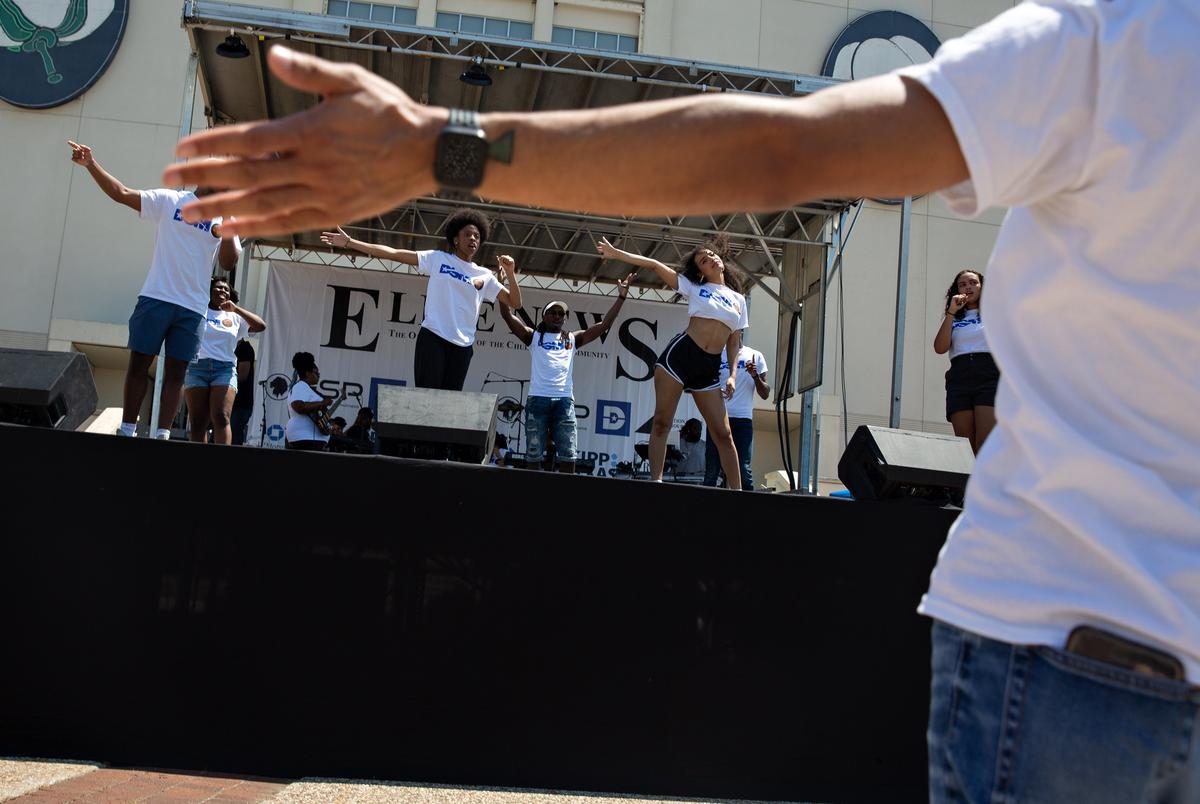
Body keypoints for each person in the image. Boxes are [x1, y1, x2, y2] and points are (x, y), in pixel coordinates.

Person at [167, 6, 1200, 797]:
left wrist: (447, 142)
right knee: (659, 416)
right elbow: (656, 252)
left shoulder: (1123, 40)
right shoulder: (1119, 39)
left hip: (1073, 638)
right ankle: (669, 472)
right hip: (1101, 642)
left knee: (706, 423)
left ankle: (724, 479)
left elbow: (785, 151)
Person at [69, 140, 240, 439]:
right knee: (139, 364)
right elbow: (121, 194)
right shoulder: (170, 201)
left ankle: (162, 434)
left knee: (176, 374)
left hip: (193, 309)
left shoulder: (223, 221)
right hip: (157, 297)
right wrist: (91, 165)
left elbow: (229, 260)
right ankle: (128, 428)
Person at [596, 237, 745, 489]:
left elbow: (733, 343)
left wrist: (731, 375)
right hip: (679, 358)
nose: (711, 259)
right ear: (700, 271)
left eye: (711, 255)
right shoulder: (694, 287)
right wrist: (615, 253)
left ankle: (738, 492)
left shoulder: (739, 300)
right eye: (703, 260)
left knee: (724, 434)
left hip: (708, 368)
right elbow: (654, 264)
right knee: (662, 422)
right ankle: (657, 482)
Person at [318, 211, 521, 391]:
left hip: (463, 346)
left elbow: (515, 303)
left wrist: (511, 274)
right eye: (467, 234)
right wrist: (350, 242)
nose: (473, 239)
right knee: (426, 399)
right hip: (433, 336)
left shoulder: (484, 275)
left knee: (449, 406)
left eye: (477, 236)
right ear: (455, 239)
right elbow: (394, 254)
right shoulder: (438, 259)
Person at [496, 273, 635, 474]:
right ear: (544, 316)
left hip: (564, 401)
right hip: (538, 400)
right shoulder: (533, 337)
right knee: (534, 454)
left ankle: (565, 498)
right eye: (553, 312)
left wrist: (621, 297)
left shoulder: (572, 339)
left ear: (566, 318)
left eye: (561, 313)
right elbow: (507, 316)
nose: (557, 316)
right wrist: (501, 287)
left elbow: (604, 325)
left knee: (568, 455)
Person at [183, 278, 266, 445]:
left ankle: (221, 463)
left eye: (226, 289)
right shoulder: (198, 311)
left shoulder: (234, 317)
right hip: (197, 368)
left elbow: (260, 326)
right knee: (198, 422)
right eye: (218, 288)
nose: (222, 291)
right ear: (208, 291)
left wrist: (237, 309)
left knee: (221, 416)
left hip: (224, 370)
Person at [932, 270, 997, 454]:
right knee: (965, 446)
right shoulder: (954, 318)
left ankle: (984, 482)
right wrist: (951, 312)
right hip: (960, 378)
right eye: (963, 284)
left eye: (973, 283)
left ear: (982, 287)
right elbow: (940, 348)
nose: (968, 287)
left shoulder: (994, 314)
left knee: (984, 443)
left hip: (989, 376)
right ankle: (967, 482)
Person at [704, 343, 769, 490]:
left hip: (742, 419)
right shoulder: (716, 353)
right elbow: (705, 383)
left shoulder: (755, 355)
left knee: (743, 470)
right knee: (711, 471)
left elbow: (765, 394)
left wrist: (755, 376)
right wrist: (714, 391)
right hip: (718, 417)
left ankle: (744, 510)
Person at [286, 351, 331, 452]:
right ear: (307, 373)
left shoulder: (306, 388)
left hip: (310, 438)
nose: (319, 375)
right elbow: (298, 406)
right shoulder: (300, 386)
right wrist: (322, 403)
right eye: (316, 372)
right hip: (306, 438)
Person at [229, 288, 257, 446]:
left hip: (240, 403)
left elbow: (243, 376)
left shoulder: (245, 348)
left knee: (234, 434)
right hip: (231, 401)